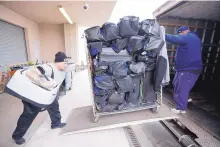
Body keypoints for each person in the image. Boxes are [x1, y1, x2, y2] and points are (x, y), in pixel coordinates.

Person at [12, 52, 68, 145]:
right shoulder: (48, 68)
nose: (66, 65)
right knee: (28, 116)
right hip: (34, 95)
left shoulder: (61, 70)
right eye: (64, 63)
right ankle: (17, 136)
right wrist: (45, 84)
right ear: (59, 62)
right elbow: (31, 72)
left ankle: (56, 123)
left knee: (54, 107)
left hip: (48, 94)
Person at [165, 26, 203, 114]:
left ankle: (181, 108)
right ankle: (184, 99)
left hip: (188, 69)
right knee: (177, 84)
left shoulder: (188, 37)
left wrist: (161, 33)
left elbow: (173, 38)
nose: (180, 36)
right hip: (185, 68)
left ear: (184, 32)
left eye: (180, 34)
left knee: (182, 88)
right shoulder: (194, 38)